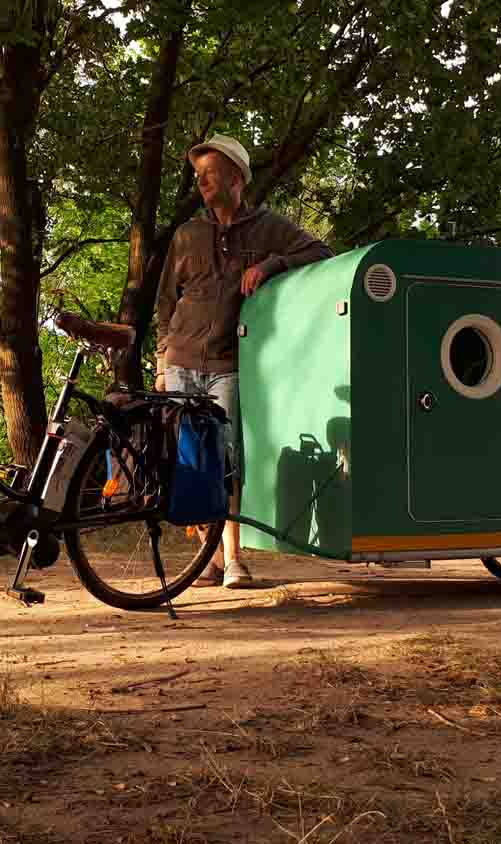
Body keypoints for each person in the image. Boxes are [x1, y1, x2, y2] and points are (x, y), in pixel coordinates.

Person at [154, 133, 334, 588]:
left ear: (236, 178)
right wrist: (160, 362)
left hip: (229, 363)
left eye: (210, 174)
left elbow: (320, 252)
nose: (201, 182)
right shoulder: (187, 234)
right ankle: (209, 559)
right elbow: (164, 302)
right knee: (191, 462)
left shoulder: (268, 227)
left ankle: (234, 560)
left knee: (226, 459)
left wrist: (271, 265)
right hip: (180, 361)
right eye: (198, 175)